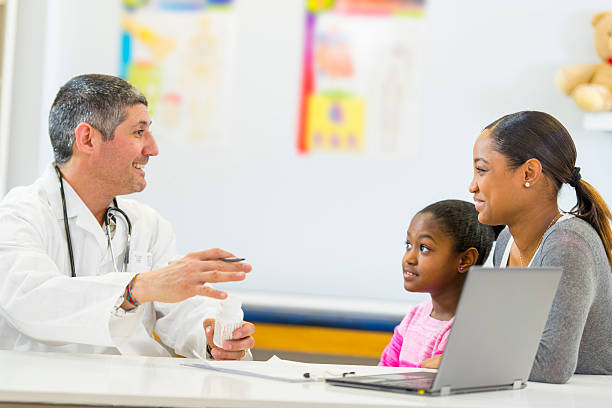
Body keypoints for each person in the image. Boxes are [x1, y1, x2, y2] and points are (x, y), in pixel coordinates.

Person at [0, 74, 255, 360]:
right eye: (138, 132)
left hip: (136, 392)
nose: (153, 149)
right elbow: (30, 301)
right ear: (87, 139)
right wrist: (136, 289)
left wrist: (211, 338)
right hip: (43, 395)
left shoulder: (147, 224)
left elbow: (182, 313)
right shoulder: (19, 216)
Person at [469, 110, 612, 383]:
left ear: (529, 172)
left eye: (482, 170)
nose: (472, 186)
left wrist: (465, 360)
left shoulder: (569, 245)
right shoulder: (504, 245)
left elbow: (552, 366)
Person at [378, 200, 494, 368]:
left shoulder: (467, 327)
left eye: (424, 248)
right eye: (409, 245)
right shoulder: (415, 316)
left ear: (465, 260)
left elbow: (434, 382)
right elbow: (383, 371)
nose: (409, 259)